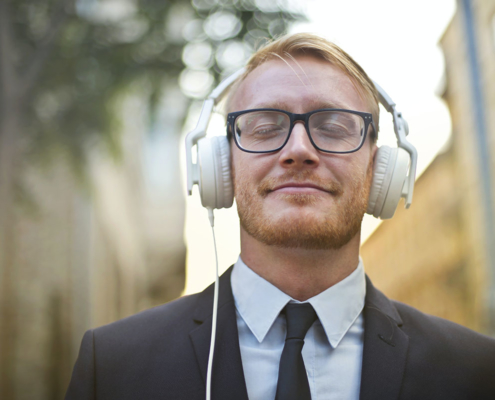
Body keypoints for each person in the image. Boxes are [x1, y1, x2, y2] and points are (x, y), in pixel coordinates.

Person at [65, 33, 495, 400]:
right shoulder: (115, 365)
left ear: (380, 170)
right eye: (266, 126)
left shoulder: (476, 371)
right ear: (221, 164)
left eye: (333, 125)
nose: (298, 150)